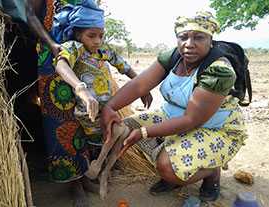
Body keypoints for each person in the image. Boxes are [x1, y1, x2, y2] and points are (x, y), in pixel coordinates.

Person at [100, 11, 247, 202]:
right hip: (174, 118)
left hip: (215, 128)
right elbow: (139, 85)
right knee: (123, 129)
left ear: (210, 39)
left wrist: (144, 132)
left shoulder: (219, 70)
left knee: (166, 167)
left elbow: (191, 120)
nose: (189, 44)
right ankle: (179, 167)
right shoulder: (174, 56)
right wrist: (110, 107)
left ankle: (211, 172)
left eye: (199, 37)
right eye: (183, 37)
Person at [39, 0, 152, 206]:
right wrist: (81, 89)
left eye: (101, 35)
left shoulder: (102, 51)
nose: (98, 41)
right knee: (85, 139)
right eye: (92, 36)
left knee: (117, 133)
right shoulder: (75, 48)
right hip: (86, 112)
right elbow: (61, 65)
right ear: (77, 34)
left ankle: (99, 172)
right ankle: (85, 178)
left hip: (105, 110)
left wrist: (142, 86)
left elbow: (123, 65)